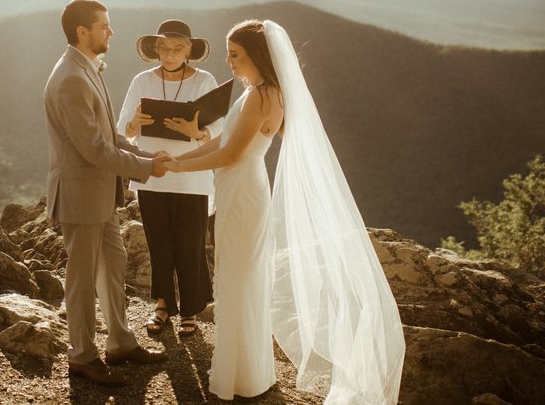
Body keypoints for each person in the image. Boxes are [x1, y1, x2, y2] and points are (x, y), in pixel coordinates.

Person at [165, 20, 406, 404]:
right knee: (243, 278)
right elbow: (227, 142)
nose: (229, 61)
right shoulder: (269, 93)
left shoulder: (261, 95)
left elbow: (231, 154)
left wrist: (178, 166)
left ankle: (238, 376)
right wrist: (180, 156)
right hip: (244, 186)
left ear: (257, 55)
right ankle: (249, 373)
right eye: (228, 53)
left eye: (235, 54)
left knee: (238, 279)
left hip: (243, 189)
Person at [43, 0, 169, 388]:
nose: (111, 32)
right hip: (81, 197)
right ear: (82, 32)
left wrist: (146, 154)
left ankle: (120, 344)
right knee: (81, 279)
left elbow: (107, 135)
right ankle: (82, 356)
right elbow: (93, 149)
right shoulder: (71, 79)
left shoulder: (85, 69)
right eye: (104, 26)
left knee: (113, 263)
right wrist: (147, 168)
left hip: (100, 196)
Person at [117, 19, 221, 338]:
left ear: (190, 50)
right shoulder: (141, 80)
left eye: (177, 48)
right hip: (152, 173)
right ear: (155, 49)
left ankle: (190, 309)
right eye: (163, 47)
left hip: (191, 175)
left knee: (190, 244)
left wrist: (197, 132)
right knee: (158, 242)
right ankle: (163, 305)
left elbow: (221, 131)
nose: (170, 54)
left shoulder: (205, 80)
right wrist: (134, 123)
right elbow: (123, 130)